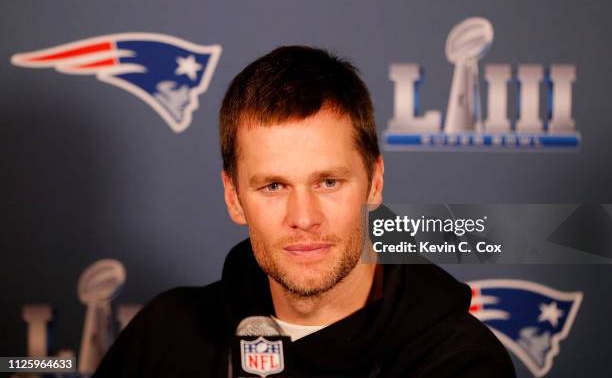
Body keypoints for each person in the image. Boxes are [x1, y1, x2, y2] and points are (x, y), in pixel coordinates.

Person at [93, 46, 515, 377]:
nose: (304, 216)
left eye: (328, 182)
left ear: (375, 183)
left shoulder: (458, 362)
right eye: (273, 186)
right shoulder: (167, 334)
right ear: (233, 197)